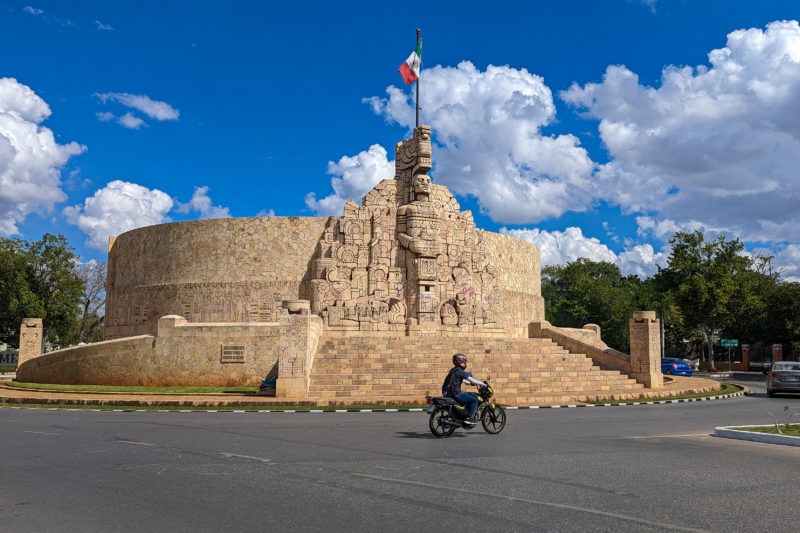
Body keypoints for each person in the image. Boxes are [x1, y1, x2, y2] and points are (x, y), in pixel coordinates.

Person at [442, 353, 487, 426]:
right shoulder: (460, 371)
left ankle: (461, 415)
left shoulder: (453, 370)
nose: (465, 363)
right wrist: (483, 384)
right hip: (456, 394)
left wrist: (466, 382)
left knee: (466, 396)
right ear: (461, 362)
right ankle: (469, 418)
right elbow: (472, 380)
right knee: (474, 400)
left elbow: (455, 380)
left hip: (448, 393)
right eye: (464, 361)